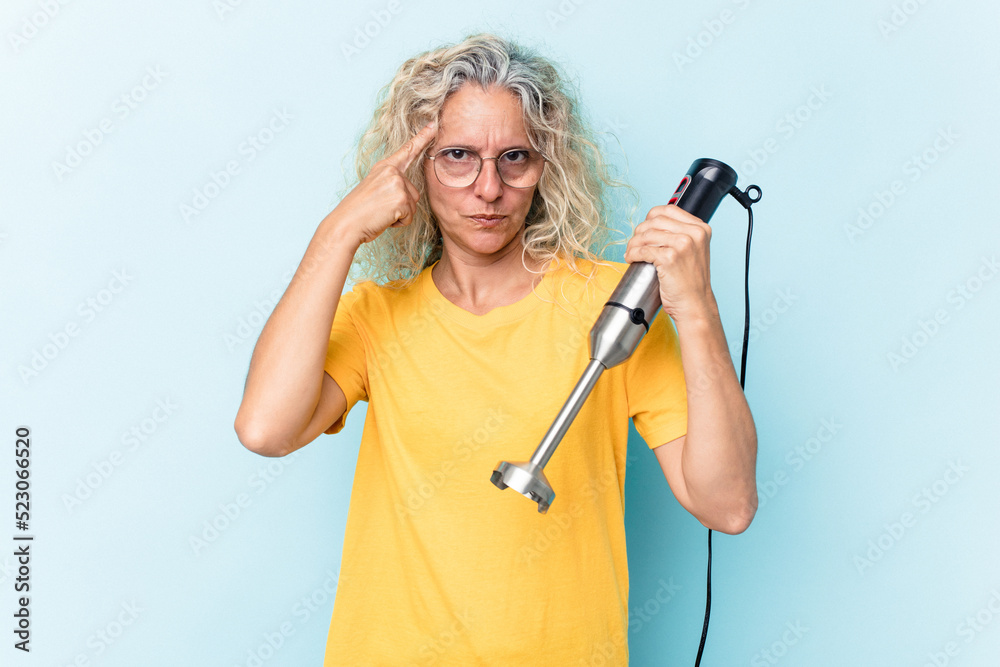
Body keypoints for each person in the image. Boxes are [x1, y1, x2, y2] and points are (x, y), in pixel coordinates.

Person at [234, 33, 757, 665]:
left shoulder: (618, 306)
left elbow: (727, 505)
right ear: (413, 169)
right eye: (457, 156)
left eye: (515, 157)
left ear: (547, 167)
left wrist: (696, 307)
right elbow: (265, 430)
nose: (488, 189)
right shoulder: (375, 316)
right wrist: (337, 232)